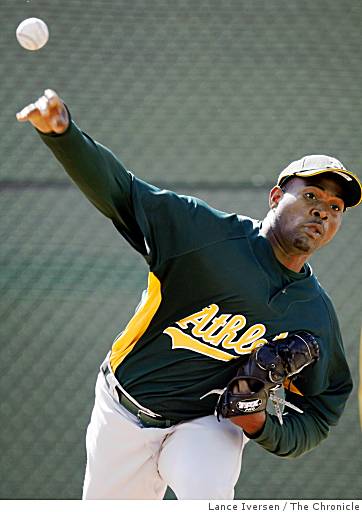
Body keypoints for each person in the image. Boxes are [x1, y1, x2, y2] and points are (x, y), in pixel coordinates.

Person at [16, 89, 361, 500]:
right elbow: (122, 193)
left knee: (209, 497)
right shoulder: (206, 235)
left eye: (337, 207)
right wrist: (62, 133)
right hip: (123, 411)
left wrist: (260, 427)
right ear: (275, 198)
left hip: (206, 421)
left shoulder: (314, 314)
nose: (323, 211)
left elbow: (323, 410)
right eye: (311, 196)